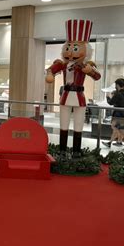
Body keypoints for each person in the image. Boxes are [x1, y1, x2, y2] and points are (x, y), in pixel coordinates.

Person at [45, 19, 101, 156]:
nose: (70, 52)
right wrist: (50, 74)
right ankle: (62, 150)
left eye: (75, 48)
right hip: (65, 95)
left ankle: (76, 151)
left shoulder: (85, 65)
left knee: (78, 125)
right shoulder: (63, 64)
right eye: (68, 48)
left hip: (79, 96)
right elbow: (51, 70)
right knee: (63, 124)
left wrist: (90, 71)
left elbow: (97, 76)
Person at [102, 78, 124, 151]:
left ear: (117, 85)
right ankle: (111, 142)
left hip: (120, 114)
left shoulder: (118, 94)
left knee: (119, 128)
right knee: (117, 127)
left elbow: (110, 102)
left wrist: (108, 97)